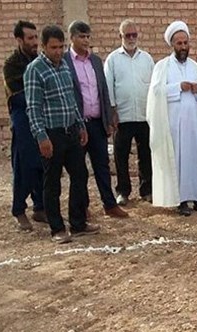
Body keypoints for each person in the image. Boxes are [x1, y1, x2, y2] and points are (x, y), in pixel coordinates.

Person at [25, 24, 98, 243]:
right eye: (53, 47)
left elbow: (71, 100)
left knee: (80, 175)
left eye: (61, 47)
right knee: (53, 181)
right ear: (44, 47)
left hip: (71, 131)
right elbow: (33, 107)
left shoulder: (65, 66)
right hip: (51, 133)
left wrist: (81, 125)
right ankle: (57, 228)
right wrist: (41, 136)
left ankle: (78, 223)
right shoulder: (35, 70)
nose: (58, 51)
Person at [147, 21, 197, 217]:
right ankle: (181, 201)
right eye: (179, 43)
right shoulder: (163, 66)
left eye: (186, 43)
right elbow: (156, 93)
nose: (183, 47)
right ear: (172, 45)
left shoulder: (194, 66)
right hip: (174, 127)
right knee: (179, 163)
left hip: (194, 126)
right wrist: (178, 87)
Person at [64, 21, 128, 220]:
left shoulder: (96, 62)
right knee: (79, 170)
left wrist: (108, 119)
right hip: (77, 125)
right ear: (72, 38)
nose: (85, 41)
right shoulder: (65, 61)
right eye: (81, 37)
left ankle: (109, 205)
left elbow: (103, 91)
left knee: (102, 165)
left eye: (87, 37)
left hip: (97, 123)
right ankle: (82, 208)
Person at [104, 19, 155, 206]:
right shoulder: (113, 60)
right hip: (122, 117)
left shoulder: (147, 59)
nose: (132, 38)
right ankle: (123, 191)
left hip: (143, 115)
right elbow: (108, 86)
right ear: (121, 36)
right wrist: (112, 111)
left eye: (134, 35)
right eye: (128, 35)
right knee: (121, 155)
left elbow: (153, 86)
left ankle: (147, 190)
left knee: (145, 154)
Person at [3, 20, 45, 231]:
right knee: (24, 166)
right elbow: (19, 97)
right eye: (30, 38)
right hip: (22, 121)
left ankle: (40, 207)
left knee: (43, 164)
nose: (34, 42)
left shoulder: (40, 61)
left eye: (36, 37)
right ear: (19, 40)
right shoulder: (11, 65)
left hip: (42, 119)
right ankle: (19, 209)